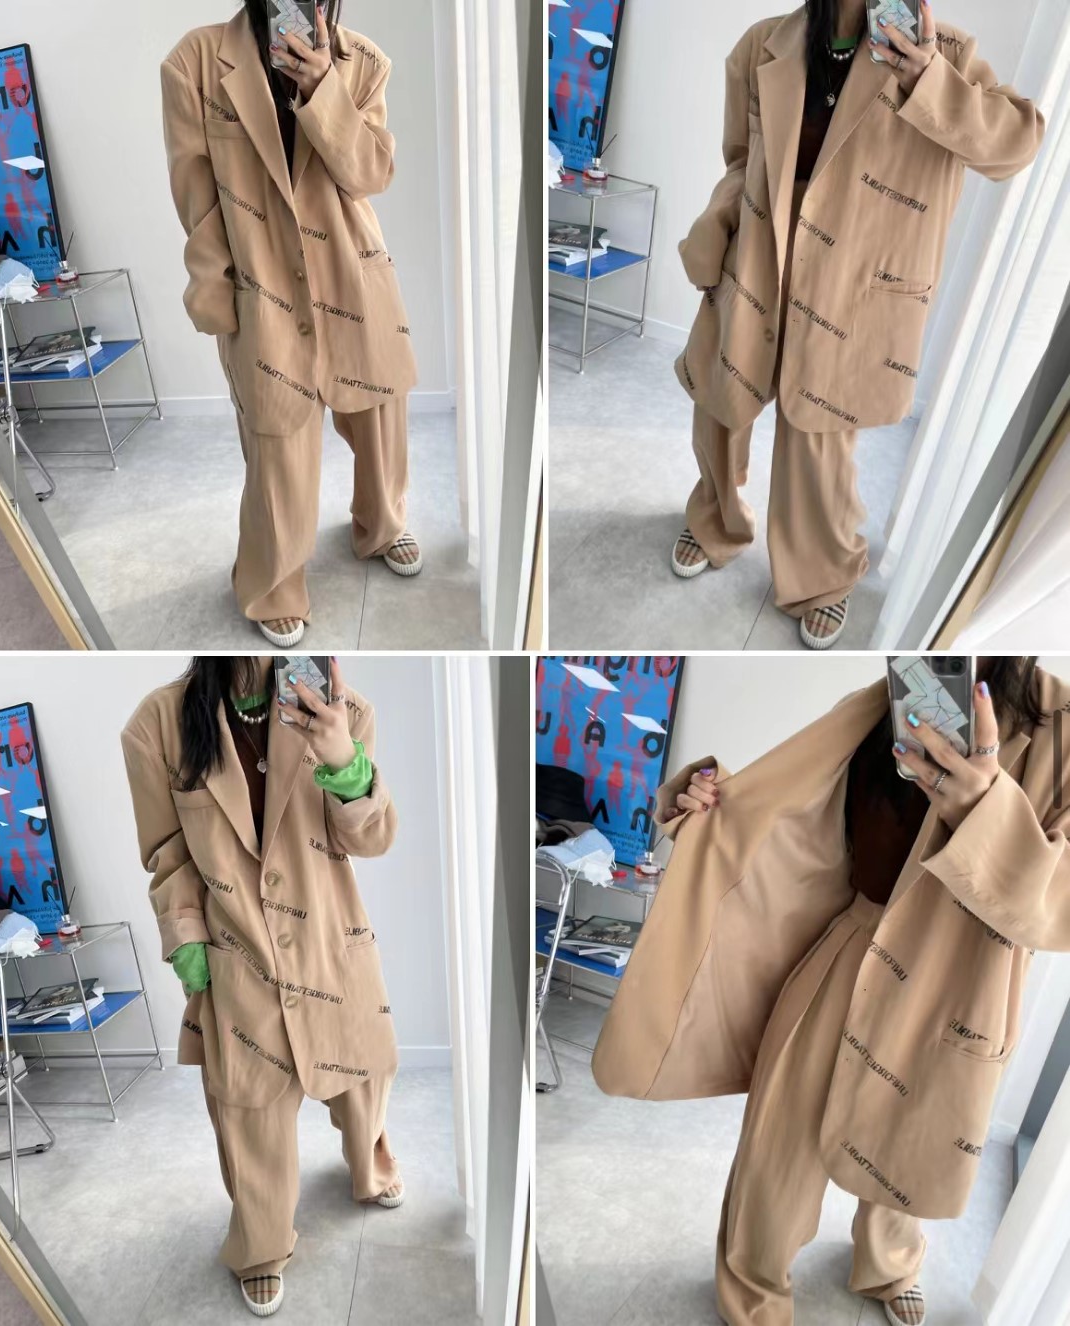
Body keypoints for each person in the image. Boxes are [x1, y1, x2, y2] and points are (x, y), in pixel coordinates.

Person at [592, 657, 1070, 1326]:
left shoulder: (1062, 728)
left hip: (962, 981)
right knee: (779, 1139)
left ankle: (890, 1264)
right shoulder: (886, 698)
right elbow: (791, 820)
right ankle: (753, 1288)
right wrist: (703, 802)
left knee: (908, 1142)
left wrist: (986, 812)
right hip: (854, 940)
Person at [670, 0, 1045, 649]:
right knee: (721, 404)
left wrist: (930, 79)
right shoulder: (762, 44)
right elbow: (740, 159)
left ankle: (823, 577)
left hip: (849, 280)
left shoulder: (944, 51)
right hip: (759, 255)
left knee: (819, 439)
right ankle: (714, 518)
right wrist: (716, 223)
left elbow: (1017, 144)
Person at [121, 657, 403, 1317]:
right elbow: (167, 852)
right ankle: (260, 1246)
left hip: (331, 944)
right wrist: (186, 938)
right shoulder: (156, 725)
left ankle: (370, 1167)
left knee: (363, 1078)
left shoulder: (345, 709)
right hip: (238, 952)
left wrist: (345, 761)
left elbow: (371, 841)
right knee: (249, 1115)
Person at [161, 1, 422, 650]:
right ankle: (273, 583)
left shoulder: (364, 62)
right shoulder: (195, 62)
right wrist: (218, 296)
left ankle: (383, 526)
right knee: (277, 437)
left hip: (351, 268)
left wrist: (323, 87)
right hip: (263, 280)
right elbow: (196, 198)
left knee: (381, 415)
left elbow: (372, 173)